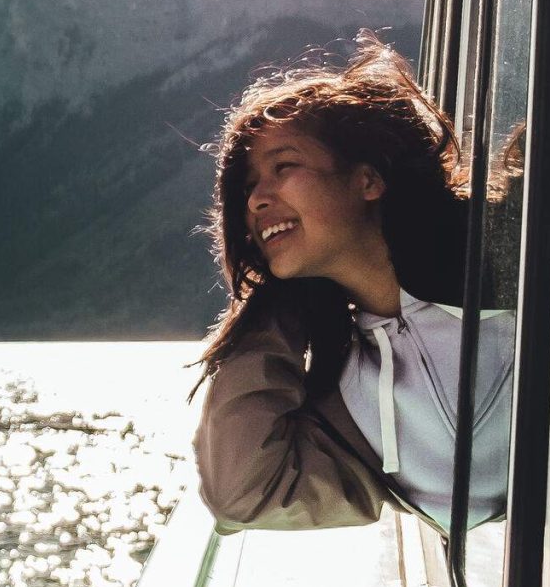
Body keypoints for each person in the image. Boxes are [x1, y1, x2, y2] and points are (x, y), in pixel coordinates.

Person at [191, 40, 509, 534]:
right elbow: (241, 493)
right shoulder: (347, 401)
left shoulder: (518, 279)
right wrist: (279, 298)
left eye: (284, 166)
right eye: (249, 185)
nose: (255, 200)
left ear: (368, 181)